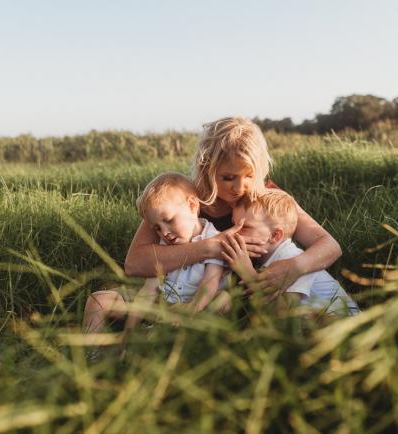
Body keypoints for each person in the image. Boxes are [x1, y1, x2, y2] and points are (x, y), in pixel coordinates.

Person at [124, 116, 342, 300]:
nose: (239, 187)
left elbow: (329, 245)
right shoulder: (182, 199)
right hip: (184, 297)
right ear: (206, 168)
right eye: (228, 177)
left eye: (249, 176)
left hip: (252, 302)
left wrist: (296, 266)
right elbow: (135, 264)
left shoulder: (267, 198)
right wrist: (211, 248)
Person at [82, 172, 230, 334]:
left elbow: (209, 284)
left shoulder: (214, 238)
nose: (164, 232)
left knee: (223, 300)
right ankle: (92, 353)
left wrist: (192, 309)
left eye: (168, 220)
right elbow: (149, 291)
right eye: (157, 228)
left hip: (196, 305)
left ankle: (171, 337)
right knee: (98, 300)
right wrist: (129, 332)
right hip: (162, 305)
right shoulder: (164, 244)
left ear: (192, 205)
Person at [221, 189, 360, 315]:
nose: (233, 233)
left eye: (244, 227)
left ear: (275, 236)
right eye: (233, 225)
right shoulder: (269, 258)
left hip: (345, 326)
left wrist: (247, 272)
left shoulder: (291, 258)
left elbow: (283, 315)